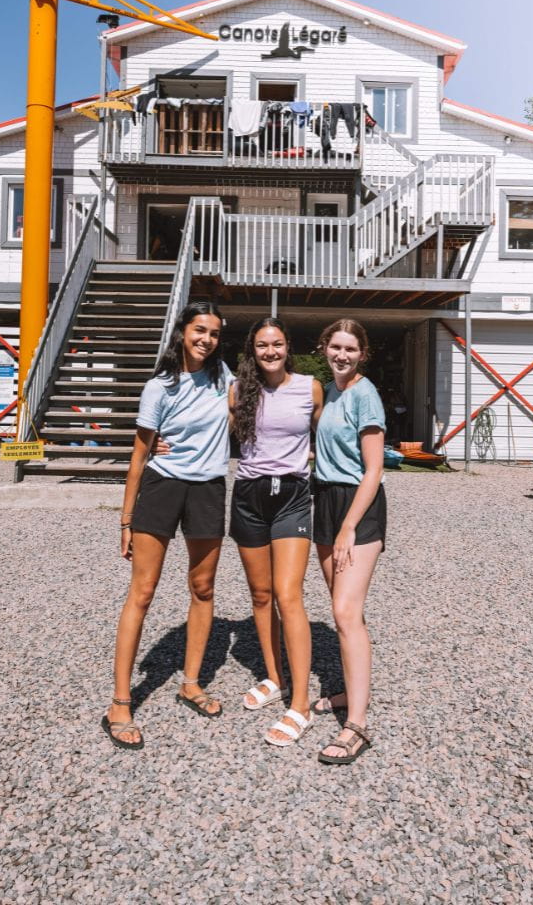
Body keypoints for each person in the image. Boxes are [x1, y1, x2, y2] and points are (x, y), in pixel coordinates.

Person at [101, 302, 232, 750]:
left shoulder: (224, 379)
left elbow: (262, 398)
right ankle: (120, 701)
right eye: (200, 330)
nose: (207, 339)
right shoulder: (158, 387)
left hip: (209, 489)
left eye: (214, 333)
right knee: (142, 591)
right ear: (183, 332)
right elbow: (138, 457)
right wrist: (125, 518)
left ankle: (191, 682)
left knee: (203, 588)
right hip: (162, 488)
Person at [229, 317, 323, 746]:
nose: (271, 351)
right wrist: (160, 443)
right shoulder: (238, 391)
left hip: (291, 496)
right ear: (253, 349)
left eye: (278, 344)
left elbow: (327, 433)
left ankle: (300, 703)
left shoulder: (309, 388)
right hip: (248, 496)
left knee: (289, 594)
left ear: (289, 347)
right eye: (263, 345)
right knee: (261, 595)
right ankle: (274, 676)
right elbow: (209, 431)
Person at [312, 318, 386, 765]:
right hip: (325, 500)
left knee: (346, 612)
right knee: (340, 608)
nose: (342, 354)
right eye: (336, 346)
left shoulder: (364, 394)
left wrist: (347, 527)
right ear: (325, 348)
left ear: (362, 354)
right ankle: (346, 693)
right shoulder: (329, 390)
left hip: (357, 507)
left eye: (350, 349)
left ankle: (356, 725)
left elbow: (373, 469)